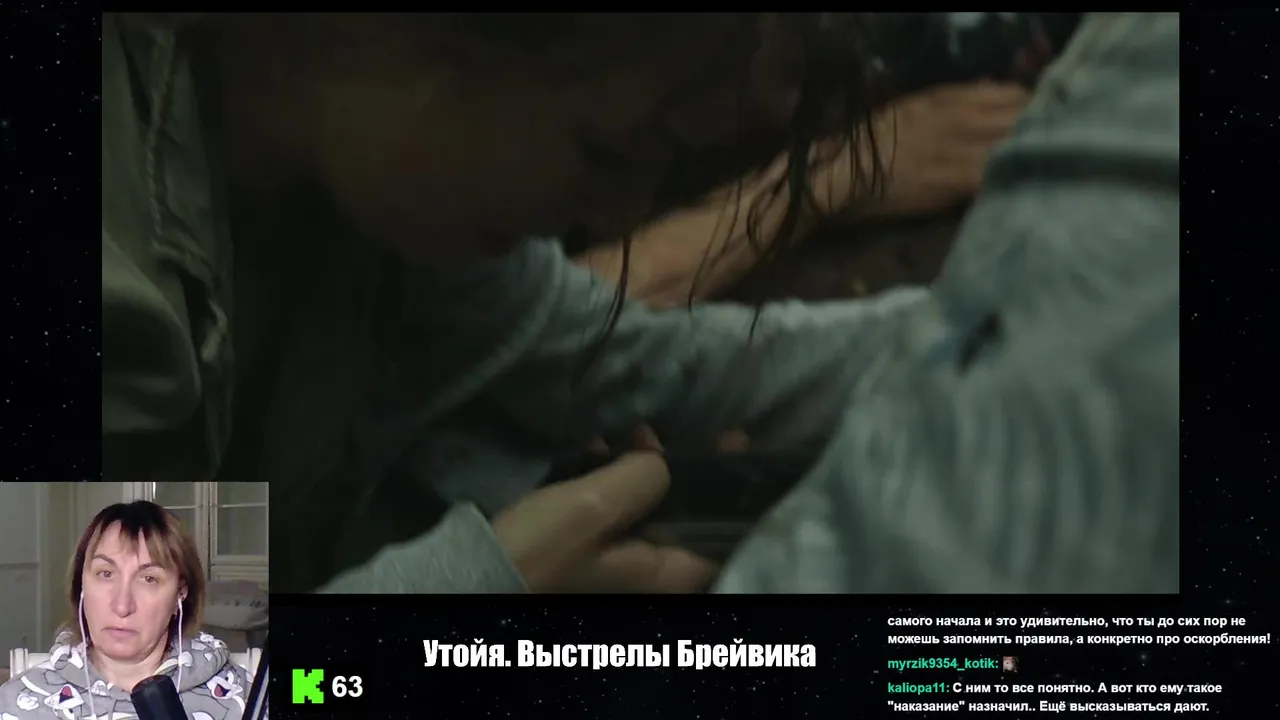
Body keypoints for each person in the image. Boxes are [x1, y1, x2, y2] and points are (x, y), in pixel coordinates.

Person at [102, 12, 1177, 594]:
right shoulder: (115, 279)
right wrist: (481, 585)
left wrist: (1015, 339)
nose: (617, 213)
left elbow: (647, 359)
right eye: (610, 148)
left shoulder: (383, 210)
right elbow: (75, 686)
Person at [0, 502, 254, 718]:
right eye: (106, 574)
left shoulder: (246, 696)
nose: (122, 606)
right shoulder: (15, 704)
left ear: (180, 592)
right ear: (81, 585)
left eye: (149, 579)